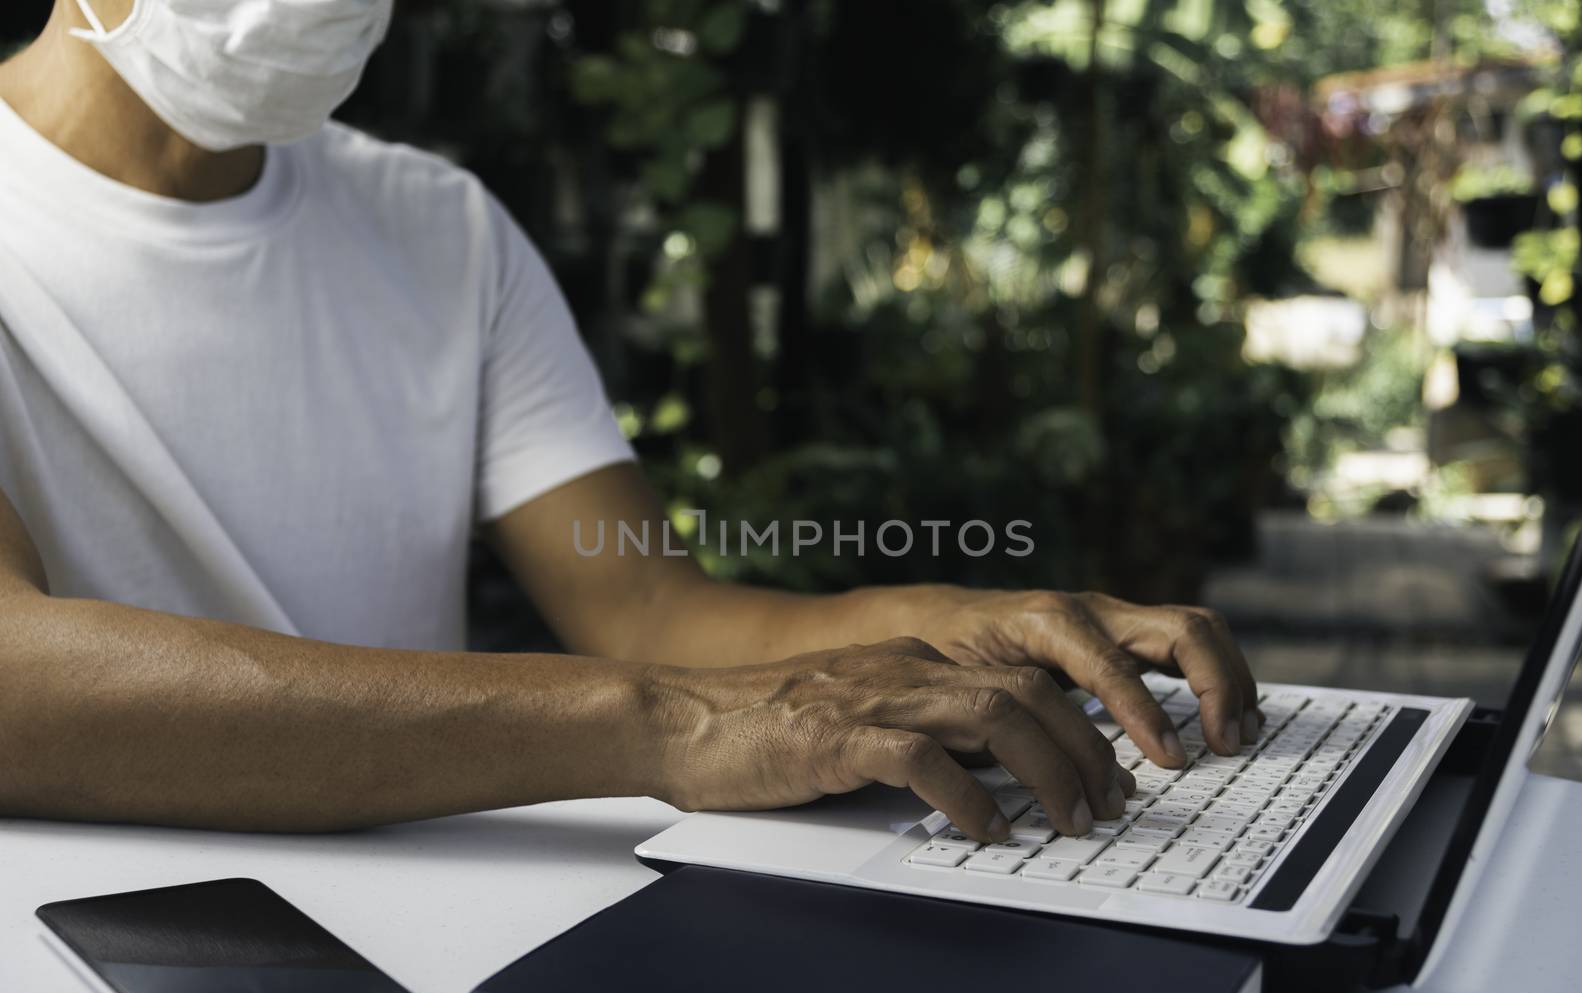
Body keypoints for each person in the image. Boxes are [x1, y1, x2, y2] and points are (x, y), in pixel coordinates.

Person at [0, 0, 1261, 843]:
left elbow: (649, 609)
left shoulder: (439, 228)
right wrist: (656, 722)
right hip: (114, 970)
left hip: (439, 925)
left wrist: (946, 620)